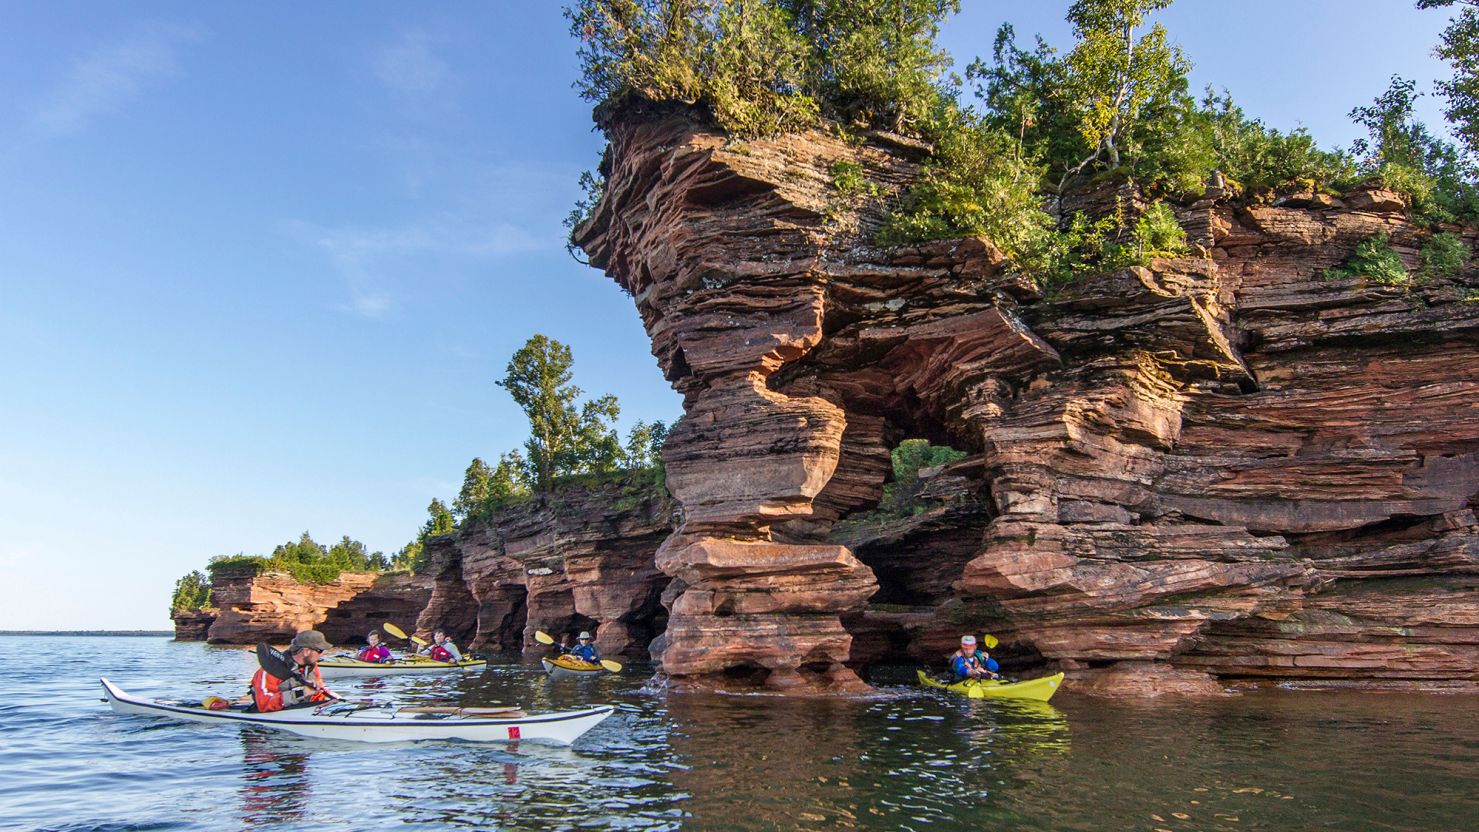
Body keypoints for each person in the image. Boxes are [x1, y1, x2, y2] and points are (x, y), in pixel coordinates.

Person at [251, 630, 336, 712]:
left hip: (302, 711)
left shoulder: (312, 667)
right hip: (275, 714)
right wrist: (301, 693)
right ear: (306, 651)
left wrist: (333, 700)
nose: (323, 654)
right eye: (320, 651)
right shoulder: (270, 670)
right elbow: (264, 704)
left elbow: (318, 693)